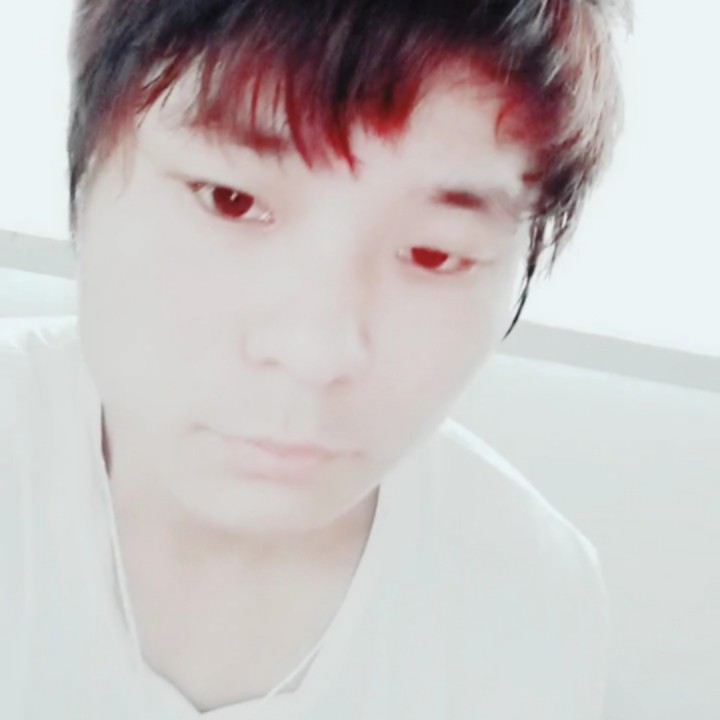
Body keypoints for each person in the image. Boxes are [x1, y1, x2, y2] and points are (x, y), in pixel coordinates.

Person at [0, 1, 631, 718]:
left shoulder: (527, 597)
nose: (316, 350)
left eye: (433, 253)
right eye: (232, 201)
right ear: (85, 169)